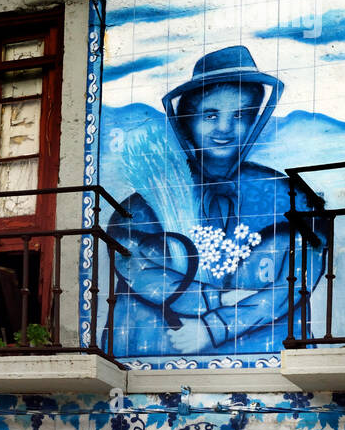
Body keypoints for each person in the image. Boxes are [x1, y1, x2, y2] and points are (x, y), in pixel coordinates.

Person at [107, 46, 325, 358]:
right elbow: (134, 263)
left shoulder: (288, 196)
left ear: (253, 121)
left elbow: (300, 274)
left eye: (239, 115)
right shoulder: (147, 202)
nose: (224, 128)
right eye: (210, 115)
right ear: (187, 122)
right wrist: (217, 301)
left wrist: (216, 327)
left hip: (272, 359)